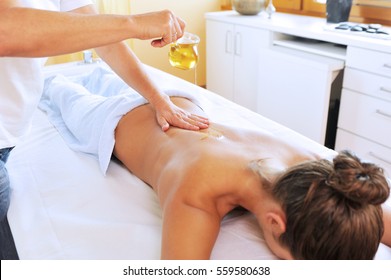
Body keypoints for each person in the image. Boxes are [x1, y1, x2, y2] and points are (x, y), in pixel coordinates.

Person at [41, 68, 391, 260]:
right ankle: (56, 79)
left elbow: (370, 212)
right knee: (60, 91)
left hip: (178, 103)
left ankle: (96, 70)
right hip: (111, 121)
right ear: (275, 223)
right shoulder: (197, 194)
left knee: (102, 76)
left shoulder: (321, 172)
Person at [0, 1, 208, 259]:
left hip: (9, 135)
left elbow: (106, 41)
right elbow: (5, 29)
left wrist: (158, 98)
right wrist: (133, 24)